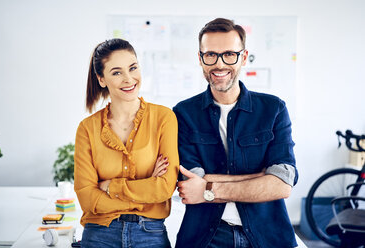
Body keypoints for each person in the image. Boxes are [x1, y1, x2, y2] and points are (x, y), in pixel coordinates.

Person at [174, 18, 298, 248]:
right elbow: (191, 185)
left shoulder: (273, 109)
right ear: (200, 58)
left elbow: (282, 184)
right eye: (210, 54)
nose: (219, 64)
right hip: (206, 238)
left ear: (243, 56)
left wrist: (209, 190)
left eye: (229, 54)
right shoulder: (184, 113)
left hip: (268, 236)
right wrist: (260, 177)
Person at [74, 38, 179, 248]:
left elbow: (165, 188)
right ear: (101, 79)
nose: (129, 79)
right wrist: (147, 191)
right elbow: (87, 198)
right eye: (116, 72)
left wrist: (109, 187)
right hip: (99, 233)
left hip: (150, 233)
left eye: (133, 68)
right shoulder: (87, 128)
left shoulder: (163, 118)